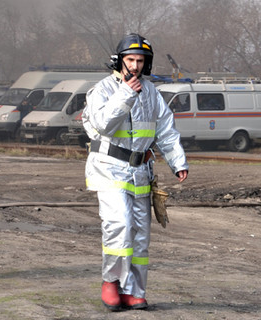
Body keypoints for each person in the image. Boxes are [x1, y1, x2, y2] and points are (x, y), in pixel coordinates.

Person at [82, 33, 189, 311]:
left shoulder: (151, 91)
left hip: (141, 170)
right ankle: (111, 283)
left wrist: (178, 161)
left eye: (141, 60)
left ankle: (134, 291)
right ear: (119, 61)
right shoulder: (102, 90)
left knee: (140, 235)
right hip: (109, 170)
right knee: (120, 225)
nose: (136, 65)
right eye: (131, 59)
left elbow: (165, 127)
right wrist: (127, 93)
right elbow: (104, 124)